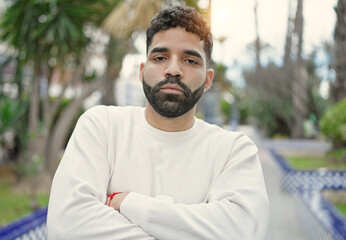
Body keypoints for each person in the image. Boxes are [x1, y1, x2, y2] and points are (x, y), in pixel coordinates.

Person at [47, 5, 269, 240]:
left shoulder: (234, 150)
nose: (173, 70)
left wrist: (130, 204)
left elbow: (245, 231)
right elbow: (66, 226)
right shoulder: (102, 127)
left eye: (190, 60)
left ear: (208, 80)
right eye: (160, 57)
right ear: (142, 71)